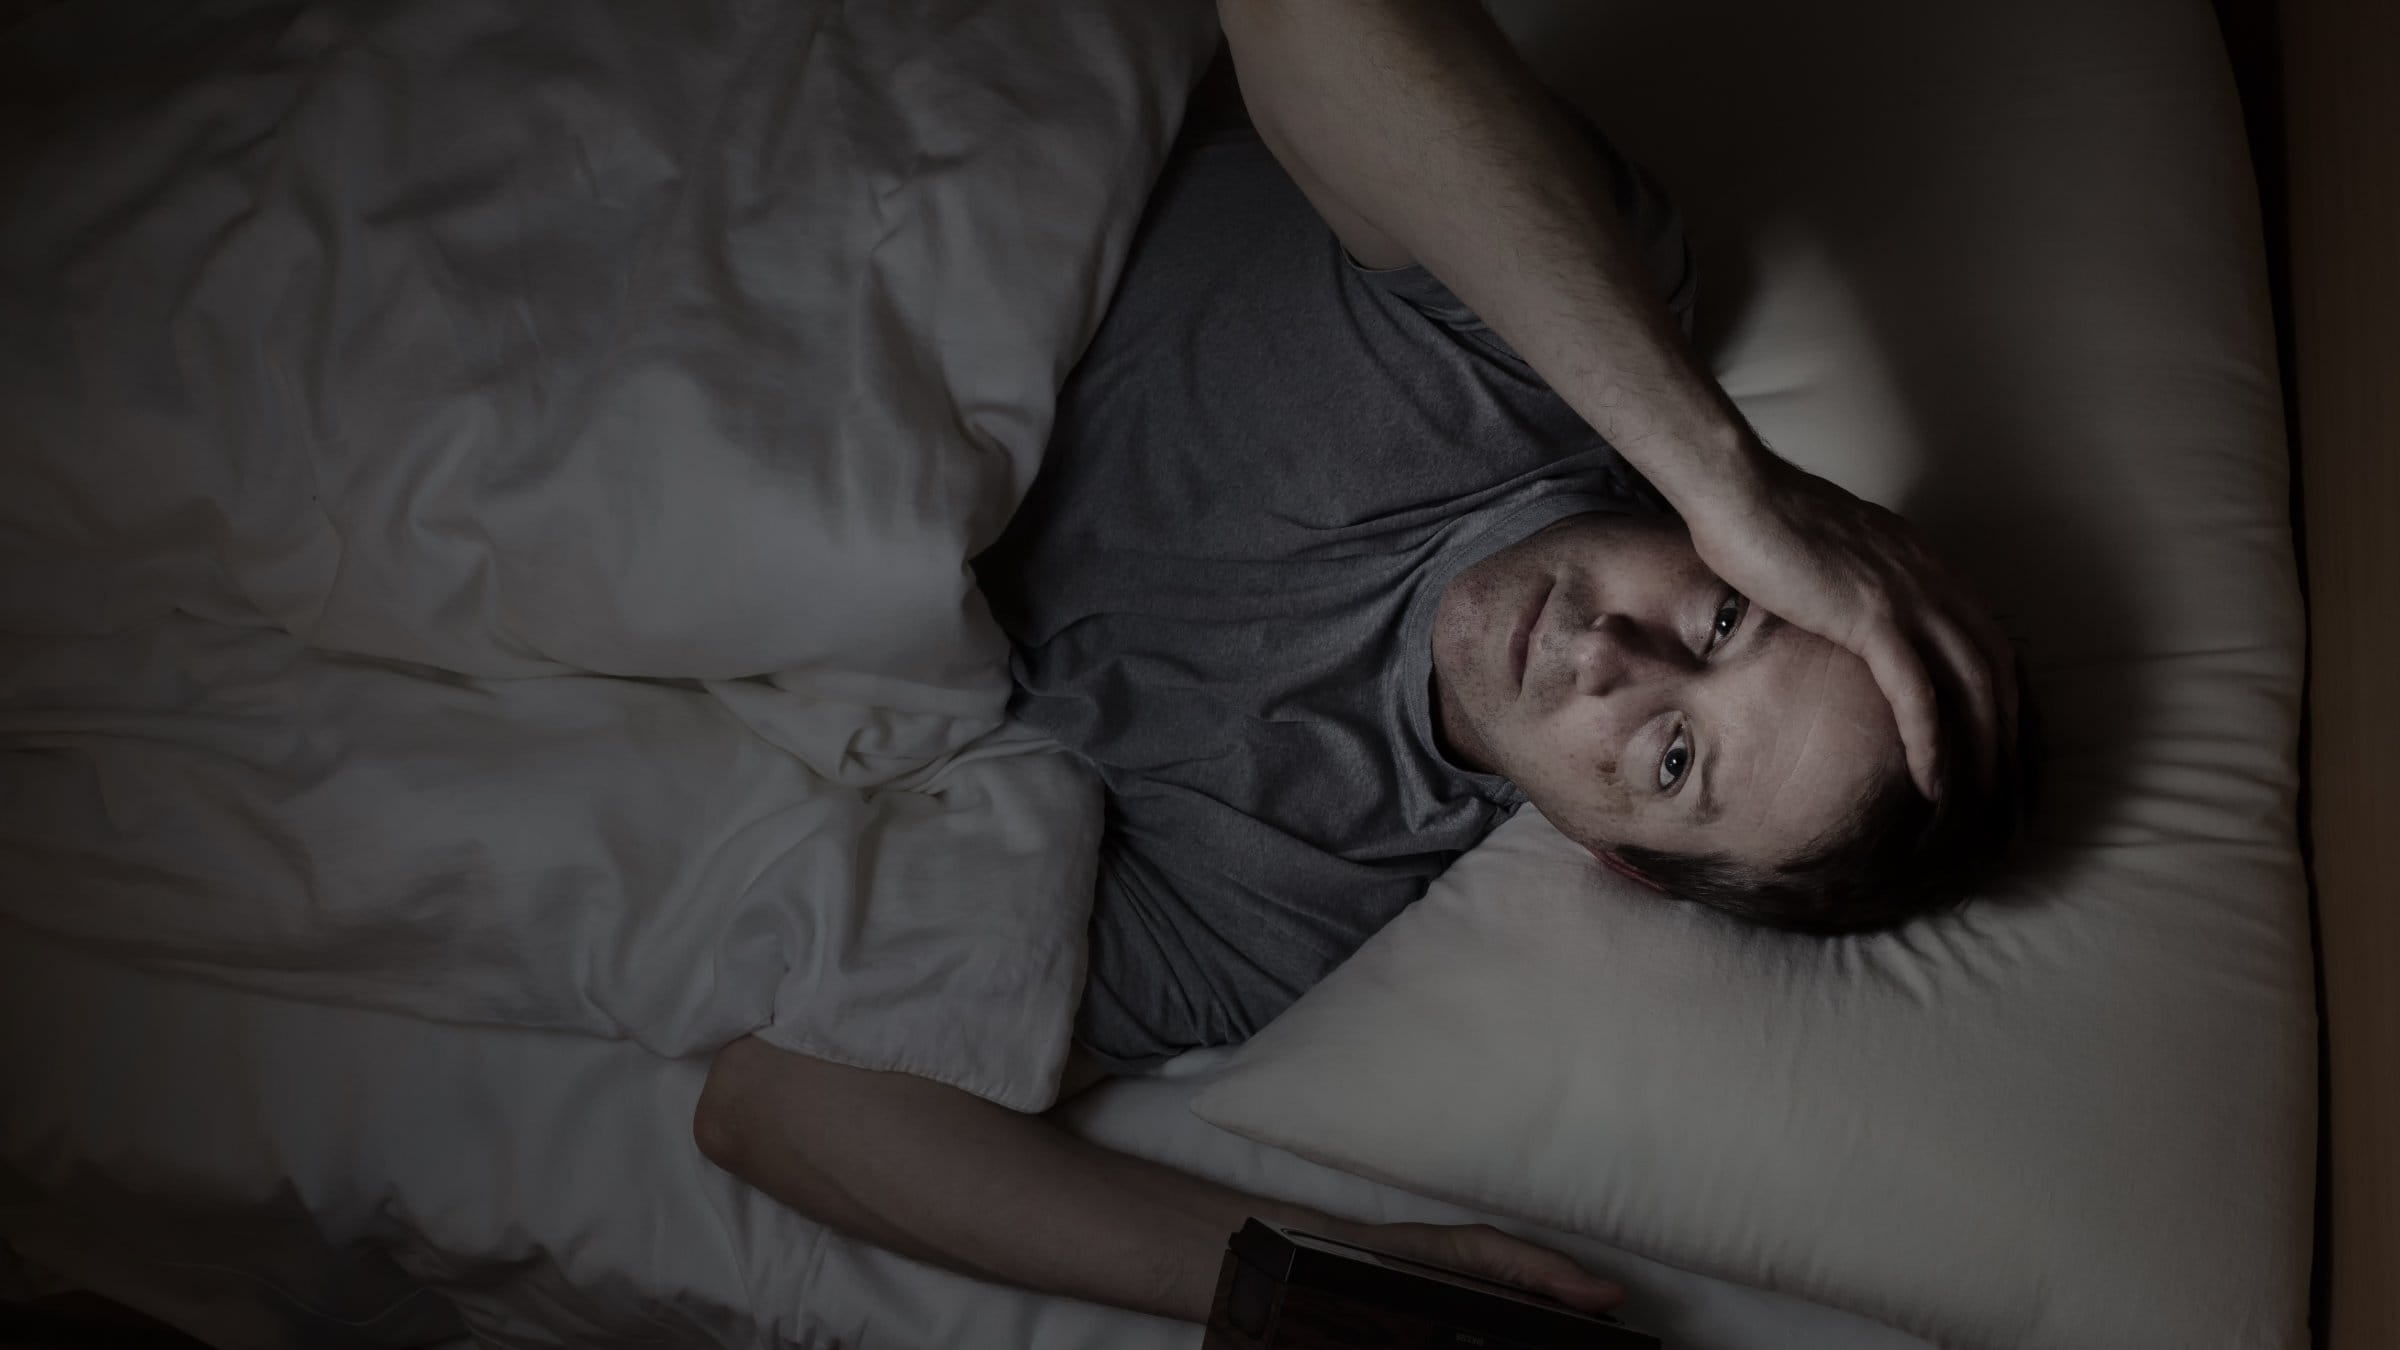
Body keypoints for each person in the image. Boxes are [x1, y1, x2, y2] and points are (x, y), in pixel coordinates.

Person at [694, 0, 2031, 1325]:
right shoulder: (1562, 344)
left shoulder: (1282, 899)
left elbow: (781, 1102)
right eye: (1729, 619)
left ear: (1612, 858)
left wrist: (1289, 1258)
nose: (1616, 659)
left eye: (1673, 756)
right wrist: (1720, 471)